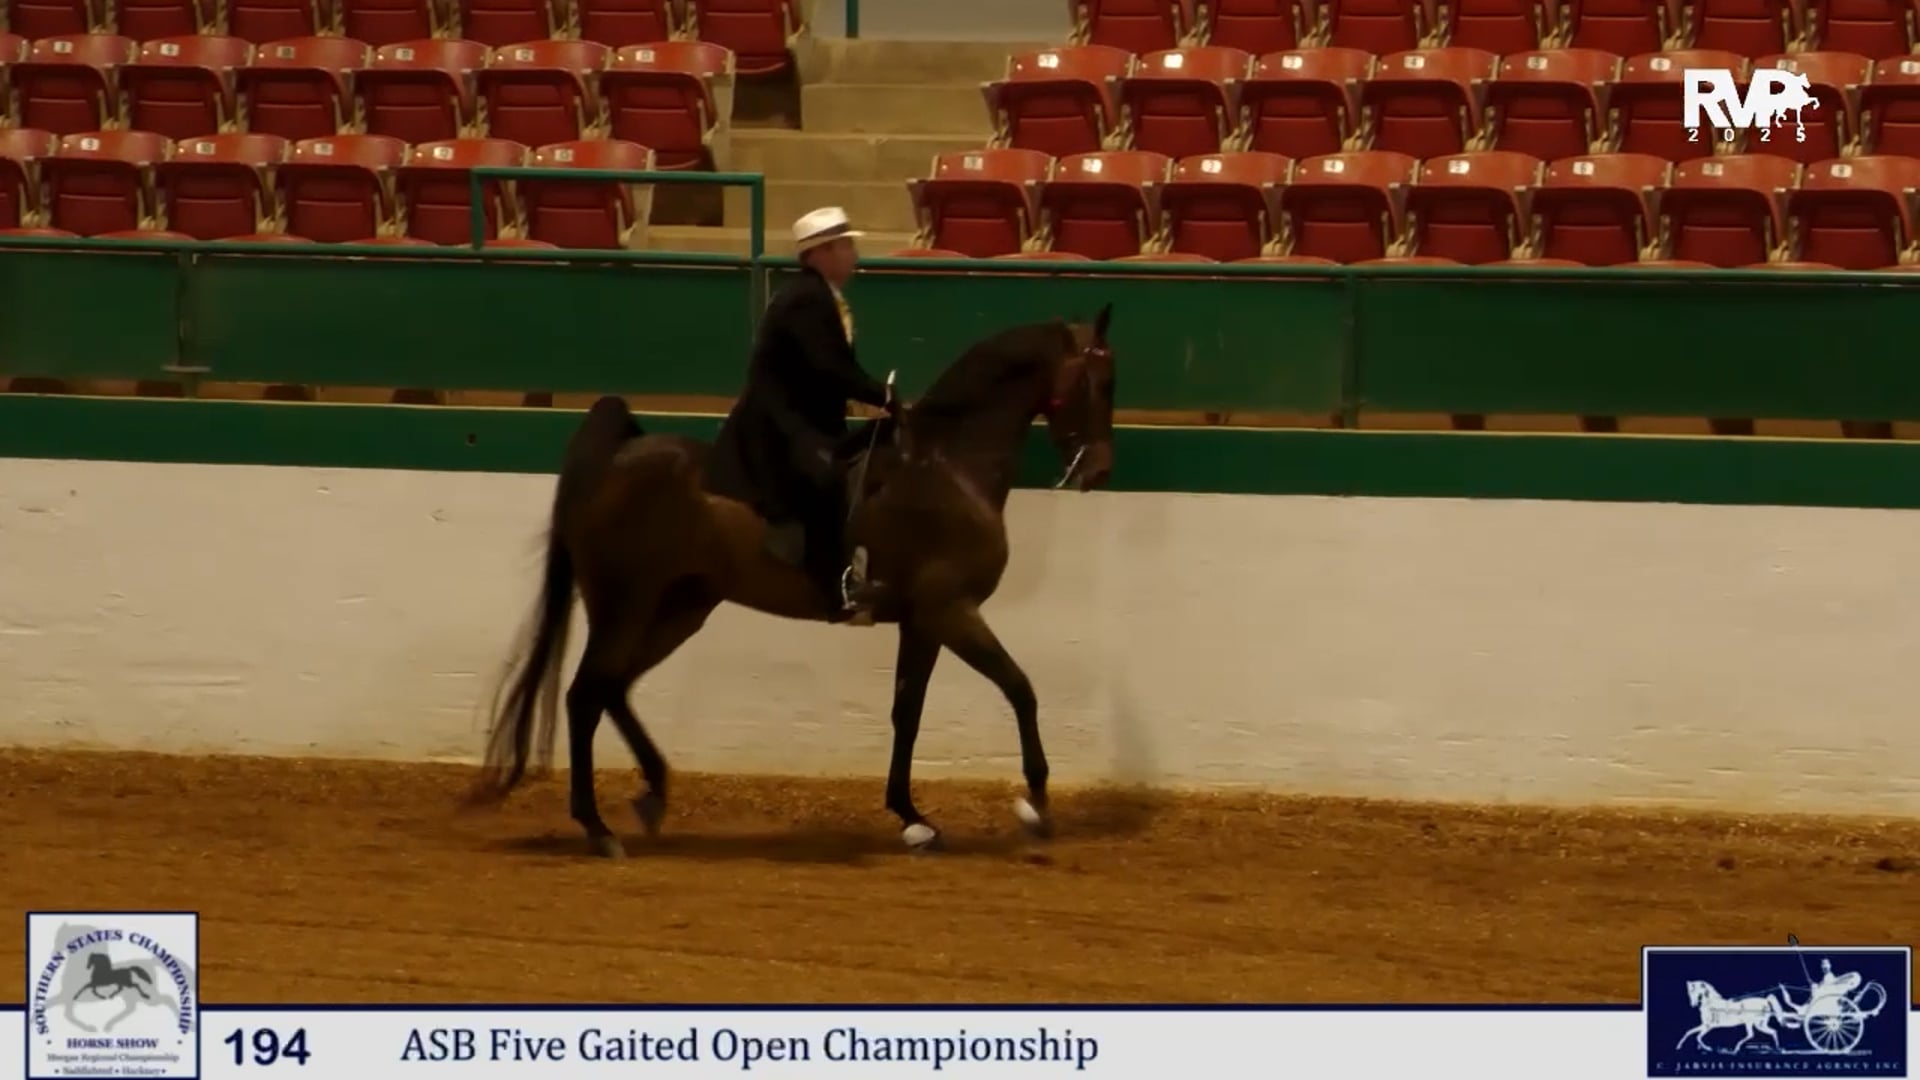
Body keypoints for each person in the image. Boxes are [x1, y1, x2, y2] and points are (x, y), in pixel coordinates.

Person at [706, 206, 899, 624]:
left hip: (810, 419)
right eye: (846, 246)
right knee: (827, 480)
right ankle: (835, 586)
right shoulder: (806, 300)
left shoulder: (821, 297)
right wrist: (883, 394)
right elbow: (830, 366)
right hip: (782, 427)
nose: (854, 255)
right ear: (821, 252)